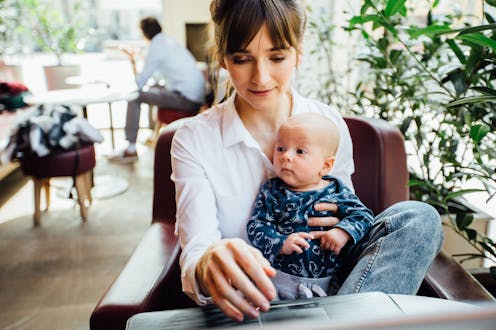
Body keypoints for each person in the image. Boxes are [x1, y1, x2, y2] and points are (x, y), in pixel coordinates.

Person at [171, 0, 443, 323]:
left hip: (334, 289)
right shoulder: (194, 139)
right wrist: (207, 263)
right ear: (223, 60)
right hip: (255, 306)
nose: (261, 77)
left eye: (277, 57)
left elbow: (348, 216)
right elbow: (197, 253)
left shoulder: (327, 123)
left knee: (419, 219)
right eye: (242, 59)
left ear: (298, 53)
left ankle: (340, 322)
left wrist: (345, 226)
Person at [246, 113, 374, 300]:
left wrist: (342, 231)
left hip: (329, 284)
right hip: (277, 282)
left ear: (325, 165)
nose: (285, 157)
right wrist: (281, 242)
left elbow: (363, 216)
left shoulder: (337, 190)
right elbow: (256, 226)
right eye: (280, 148)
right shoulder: (272, 190)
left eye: (300, 151)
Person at [111, 16, 205, 162]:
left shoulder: (156, 46)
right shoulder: (169, 42)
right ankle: (151, 134)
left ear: (144, 33)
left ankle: (130, 149)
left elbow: (140, 83)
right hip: (196, 96)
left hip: (187, 100)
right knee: (153, 88)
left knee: (135, 96)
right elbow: (156, 77)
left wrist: (132, 59)